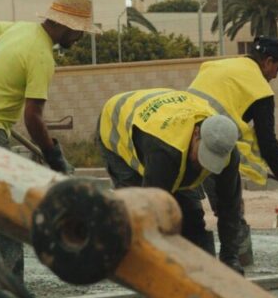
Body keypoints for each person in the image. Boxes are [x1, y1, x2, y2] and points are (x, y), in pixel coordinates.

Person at [0, 0, 98, 281]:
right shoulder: (41, 56)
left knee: (0, 205)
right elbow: (33, 118)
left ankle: (6, 279)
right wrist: (54, 156)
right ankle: (10, 285)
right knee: (6, 210)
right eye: (80, 31)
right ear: (66, 27)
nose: (80, 37)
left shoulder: (19, 29)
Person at [188, 36, 278, 269]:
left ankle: (195, 263)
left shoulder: (220, 65)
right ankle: (240, 264)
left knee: (187, 207)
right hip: (212, 146)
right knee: (230, 211)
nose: (275, 76)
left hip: (180, 136)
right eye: (277, 69)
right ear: (268, 61)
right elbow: (267, 141)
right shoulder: (259, 89)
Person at [96, 88, 242, 272]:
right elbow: (151, 213)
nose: (205, 166)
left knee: (191, 217)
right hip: (118, 122)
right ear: (196, 134)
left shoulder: (227, 150)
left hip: (169, 119)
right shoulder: (165, 151)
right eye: (204, 155)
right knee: (137, 207)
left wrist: (230, 260)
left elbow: (230, 206)